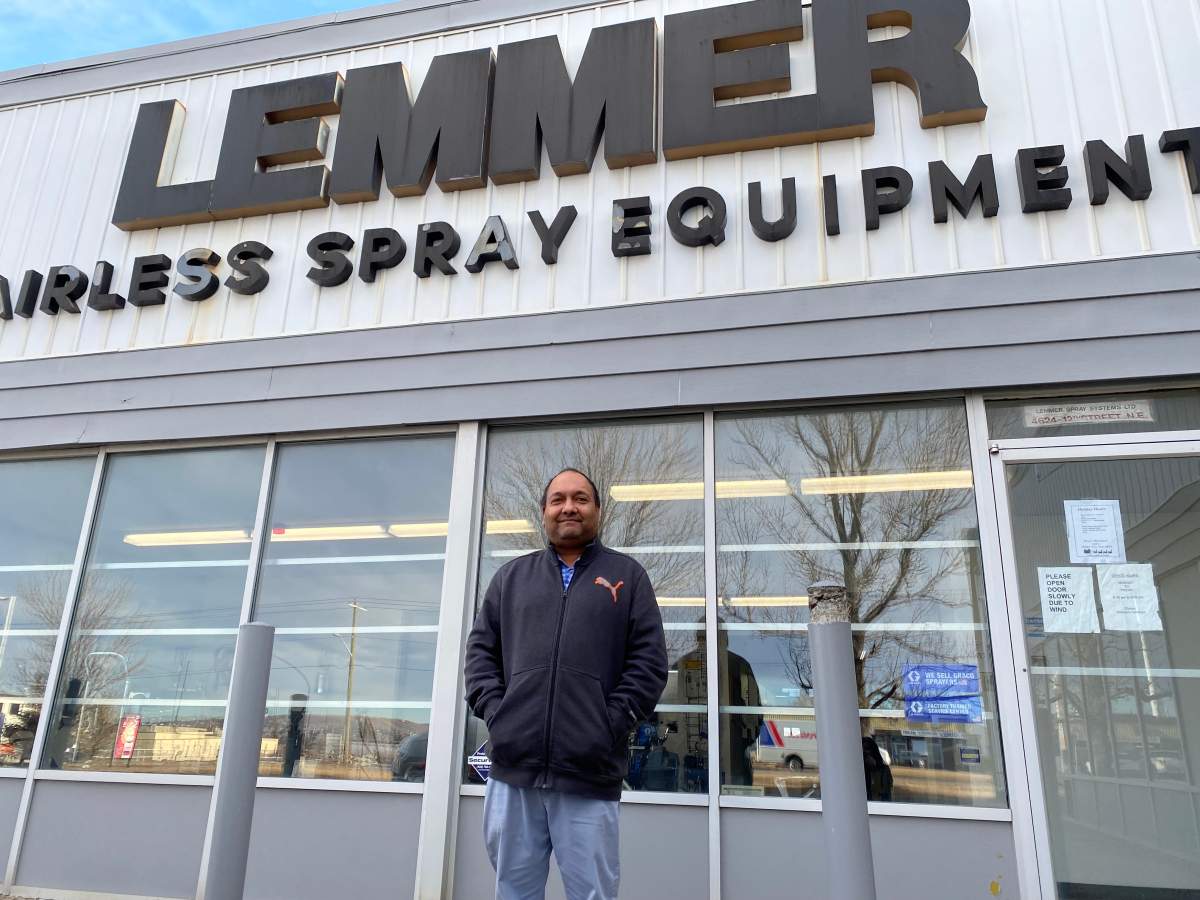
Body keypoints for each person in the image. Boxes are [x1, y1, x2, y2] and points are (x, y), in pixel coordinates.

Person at [465, 467, 668, 900]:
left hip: (589, 775)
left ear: (597, 509)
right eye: (558, 499)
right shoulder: (510, 579)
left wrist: (606, 726)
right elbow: (480, 655)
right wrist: (500, 717)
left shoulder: (628, 577)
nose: (569, 507)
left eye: (580, 498)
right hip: (513, 773)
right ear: (544, 511)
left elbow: (648, 666)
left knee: (592, 894)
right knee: (514, 892)